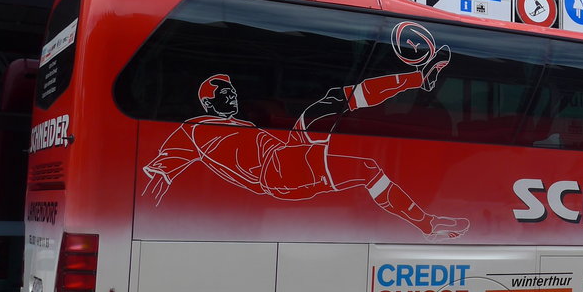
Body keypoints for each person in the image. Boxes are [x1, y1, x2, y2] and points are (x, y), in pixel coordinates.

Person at [142, 45, 469, 240]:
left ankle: (419, 79)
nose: (233, 95)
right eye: (225, 94)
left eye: (233, 91)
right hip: (277, 172)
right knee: (362, 161)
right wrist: (157, 182)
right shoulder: (194, 128)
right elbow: (163, 168)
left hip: (287, 156)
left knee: (335, 106)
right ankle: (427, 224)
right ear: (209, 104)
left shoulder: (241, 123)